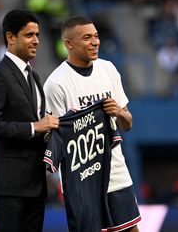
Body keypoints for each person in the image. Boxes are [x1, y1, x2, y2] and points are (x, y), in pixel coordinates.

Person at [43, 15, 141, 232]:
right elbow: (58, 137)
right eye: (87, 38)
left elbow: (128, 124)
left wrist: (119, 113)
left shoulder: (108, 69)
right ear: (68, 43)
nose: (95, 42)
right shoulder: (56, 84)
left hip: (116, 172)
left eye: (96, 36)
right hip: (83, 180)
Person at [0, 9, 59, 232]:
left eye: (38, 35)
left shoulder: (33, 75)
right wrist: (36, 127)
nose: (36, 41)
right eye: (29, 35)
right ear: (10, 37)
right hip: (7, 186)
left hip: (35, 184)